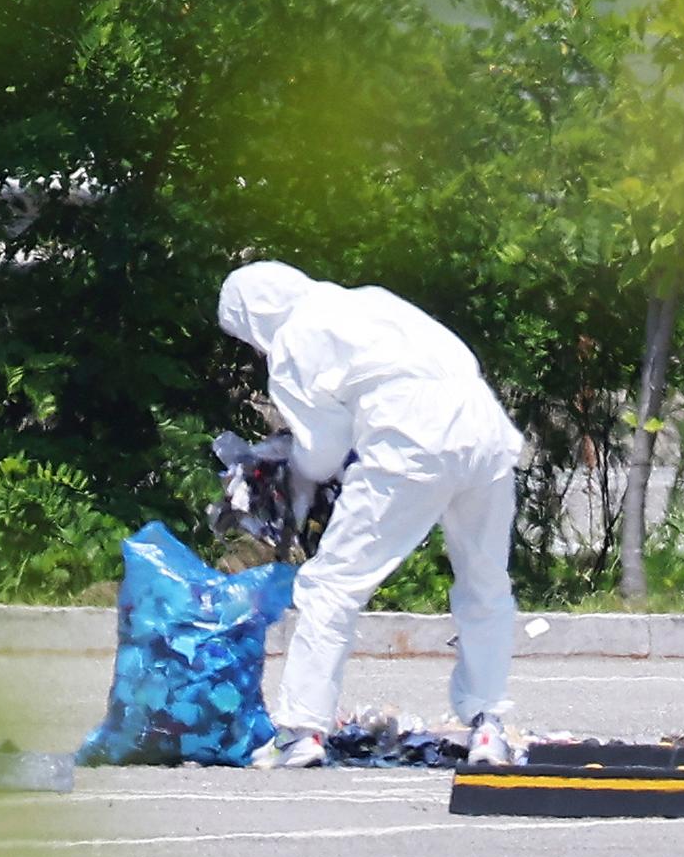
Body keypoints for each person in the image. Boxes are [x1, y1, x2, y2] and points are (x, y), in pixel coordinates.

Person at [217, 260, 524, 769]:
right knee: (486, 584)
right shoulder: (371, 300)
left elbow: (321, 453)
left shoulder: (294, 339)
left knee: (331, 584)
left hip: (411, 438)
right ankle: (488, 726)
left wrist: (286, 462)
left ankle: (301, 729)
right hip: (486, 431)